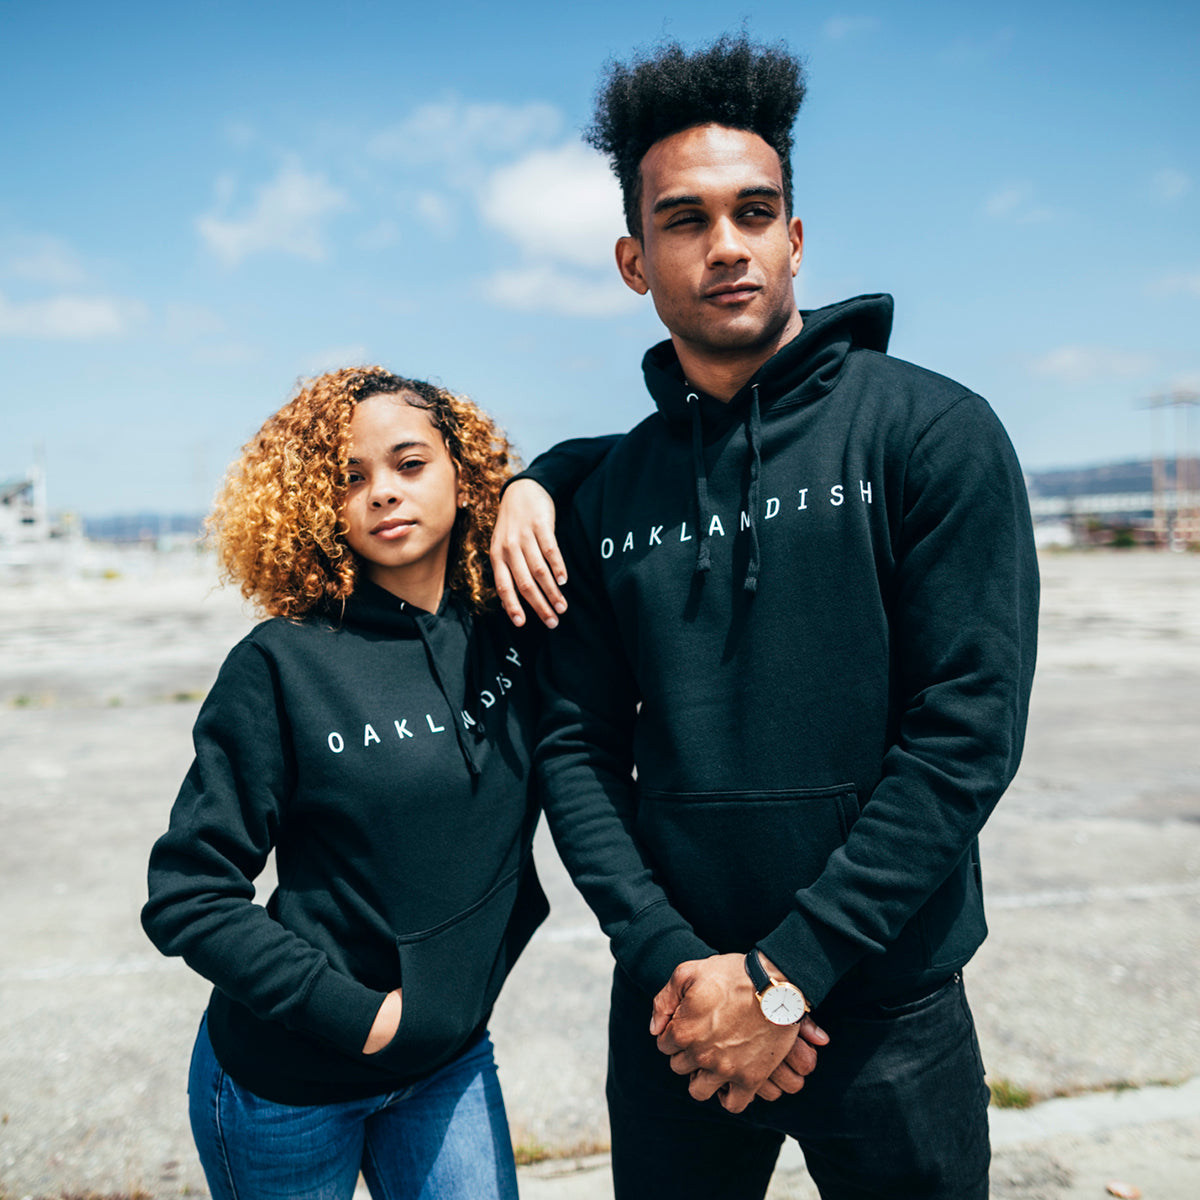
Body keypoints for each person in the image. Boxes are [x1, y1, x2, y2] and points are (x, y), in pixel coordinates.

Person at [490, 33, 1039, 1200]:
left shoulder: (931, 434)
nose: (726, 246)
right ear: (636, 262)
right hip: (674, 1015)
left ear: (796, 237)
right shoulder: (606, 493)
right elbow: (572, 746)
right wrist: (678, 966)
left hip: (888, 1015)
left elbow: (966, 733)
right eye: (686, 220)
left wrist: (785, 976)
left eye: (754, 212)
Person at [141, 367, 608, 1200]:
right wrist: (358, 1018)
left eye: (410, 464)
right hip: (287, 1084)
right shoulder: (278, 666)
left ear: (465, 479)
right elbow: (188, 894)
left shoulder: (516, 628)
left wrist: (537, 486)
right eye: (351, 478)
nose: (383, 493)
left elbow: (646, 462)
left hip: (448, 1062)